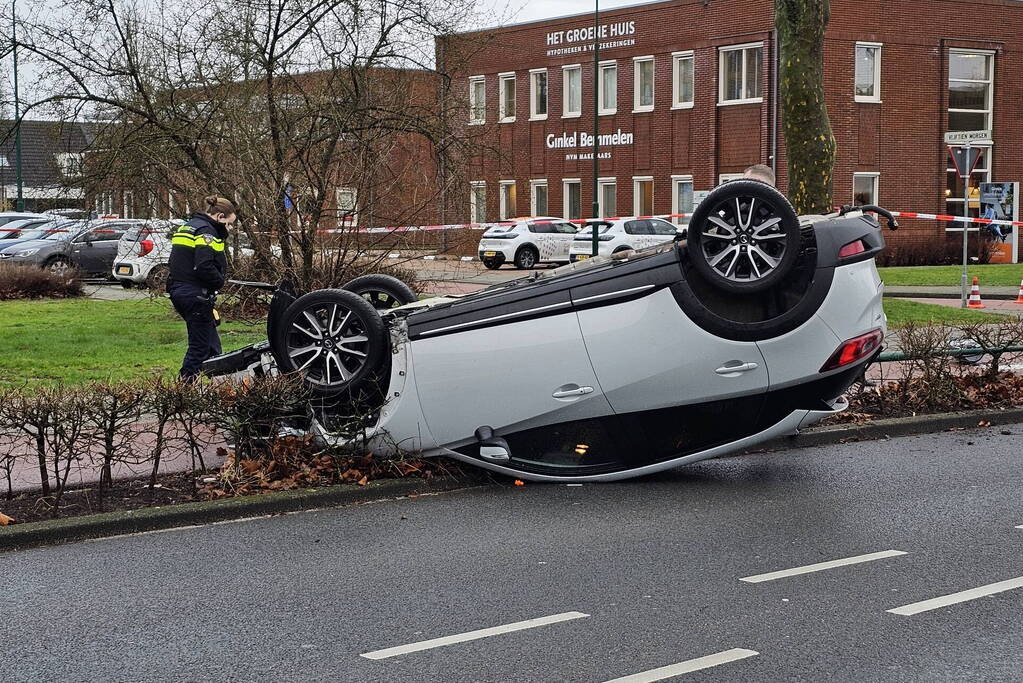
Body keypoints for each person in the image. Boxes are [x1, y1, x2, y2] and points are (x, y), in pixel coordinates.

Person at [166, 195, 236, 380]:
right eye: (229, 223)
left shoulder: (188, 226)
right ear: (220, 216)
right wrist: (219, 281)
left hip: (180, 290)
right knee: (200, 346)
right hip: (196, 295)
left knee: (212, 344)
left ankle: (221, 385)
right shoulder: (207, 232)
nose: (230, 228)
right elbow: (204, 265)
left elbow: (177, 261)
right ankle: (183, 390)